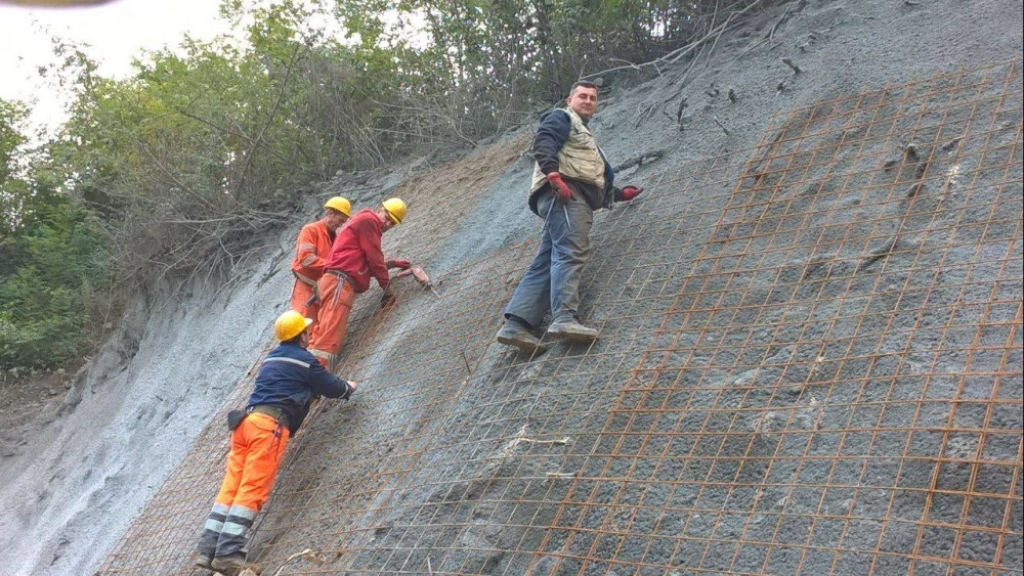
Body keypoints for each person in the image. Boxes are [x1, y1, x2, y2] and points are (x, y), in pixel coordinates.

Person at [195, 310, 357, 575]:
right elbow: (330, 385)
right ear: (301, 336)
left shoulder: (272, 357)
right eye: (306, 331)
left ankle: (208, 548)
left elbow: (288, 384)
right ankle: (228, 555)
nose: (309, 334)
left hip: (245, 425)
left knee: (231, 487)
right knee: (253, 487)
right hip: (268, 428)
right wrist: (347, 388)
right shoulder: (304, 360)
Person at [495, 81, 643, 354]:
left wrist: (620, 194)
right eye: (582, 96)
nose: (588, 101)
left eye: (593, 98)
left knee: (547, 259)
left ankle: (516, 324)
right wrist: (553, 175)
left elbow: (588, 178)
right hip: (565, 194)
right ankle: (564, 318)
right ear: (569, 99)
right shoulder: (562, 117)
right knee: (571, 251)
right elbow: (544, 140)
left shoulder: (582, 136)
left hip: (565, 195)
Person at [307, 198, 410, 368]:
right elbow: (374, 258)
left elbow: (360, 265)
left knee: (321, 334)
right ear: (379, 210)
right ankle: (316, 377)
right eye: (387, 217)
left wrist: (391, 264)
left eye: (392, 223)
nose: (387, 224)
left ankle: (307, 373)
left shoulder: (363, 222)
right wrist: (387, 288)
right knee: (329, 338)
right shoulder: (369, 221)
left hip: (334, 281)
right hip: (340, 283)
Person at [289, 197, 351, 323]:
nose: (340, 224)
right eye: (340, 220)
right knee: (302, 324)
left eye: (343, 222)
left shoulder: (335, 238)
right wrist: (333, 265)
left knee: (320, 325)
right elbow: (306, 259)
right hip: (305, 287)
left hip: (322, 289)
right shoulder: (311, 230)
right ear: (330, 213)